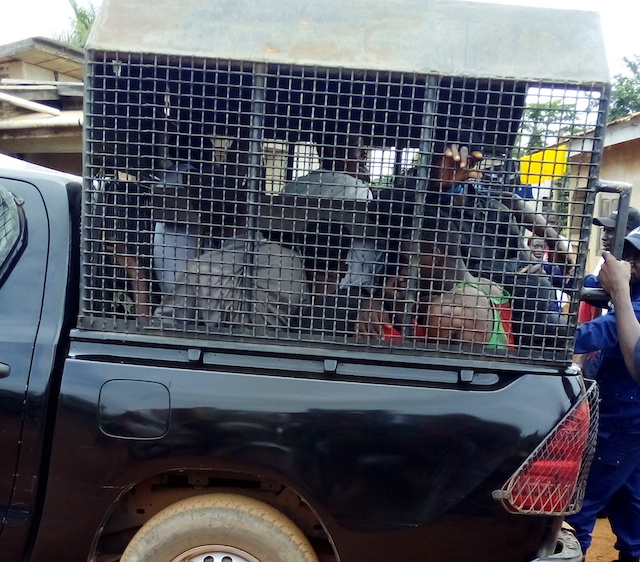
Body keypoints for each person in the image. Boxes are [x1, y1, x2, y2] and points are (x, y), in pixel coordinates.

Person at [565, 227, 640, 562]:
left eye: (639, 258)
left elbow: (595, 333)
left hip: (620, 424)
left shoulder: (634, 305)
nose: (630, 263)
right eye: (629, 255)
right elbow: (586, 283)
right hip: (623, 420)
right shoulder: (628, 292)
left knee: (578, 505)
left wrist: (539, 337)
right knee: (631, 502)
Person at [155, 185, 308, 332]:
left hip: (219, 354)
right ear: (248, 207)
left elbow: (164, 324)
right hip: (279, 353)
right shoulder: (291, 260)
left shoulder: (200, 268)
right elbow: (305, 319)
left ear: (205, 222)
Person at [579, 207, 640, 324]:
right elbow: (595, 284)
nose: (603, 237)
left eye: (611, 231)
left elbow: (606, 330)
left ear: (629, 233)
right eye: (604, 230)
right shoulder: (614, 266)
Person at [282, 126, 373, 200]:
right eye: (357, 147)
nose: (364, 154)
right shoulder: (359, 191)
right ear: (333, 151)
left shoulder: (292, 187)